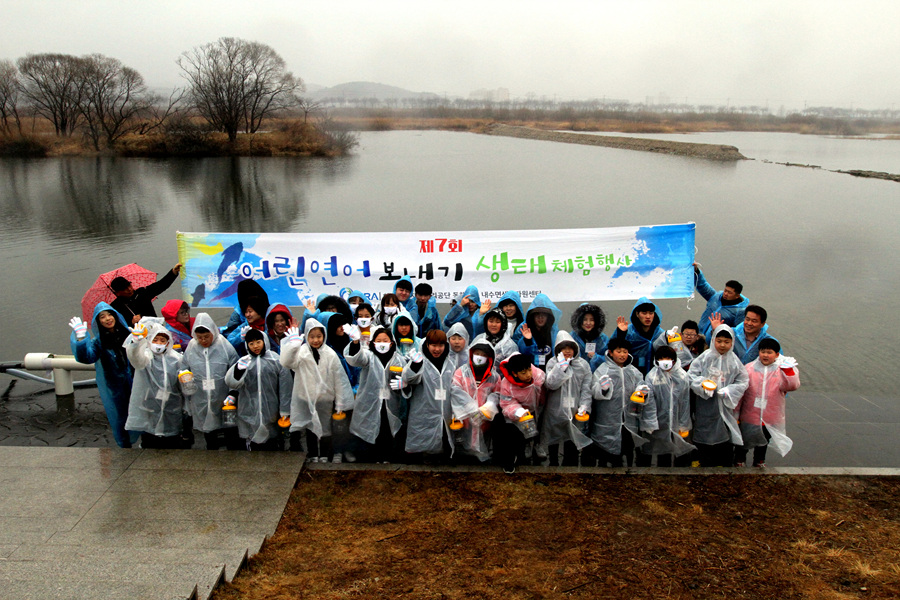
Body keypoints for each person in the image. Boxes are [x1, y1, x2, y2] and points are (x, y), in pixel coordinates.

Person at [279, 319, 353, 462]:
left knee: (326, 428)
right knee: (310, 427)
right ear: (306, 336)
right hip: (306, 398)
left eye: (318, 336)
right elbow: (287, 362)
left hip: (325, 399)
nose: (315, 340)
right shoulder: (302, 352)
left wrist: (340, 402)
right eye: (312, 337)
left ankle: (325, 455)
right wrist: (294, 345)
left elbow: (339, 379)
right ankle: (313, 454)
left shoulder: (330, 354)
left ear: (324, 335)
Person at [69, 303, 139, 448]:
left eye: (109, 314)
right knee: (120, 416)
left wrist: (140, 340)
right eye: (102, 316)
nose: (107, 319)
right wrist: (81, 340)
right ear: (98, 321)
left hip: (135, 382)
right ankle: (124, 445)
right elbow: (86, 358)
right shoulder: (98, 342)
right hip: (114, 386)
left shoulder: (128, 334)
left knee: (141, 410)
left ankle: (146, 441)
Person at [344, 326, 408, 463]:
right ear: (373, 343)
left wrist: (405, 382)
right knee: (370, 427)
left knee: (387, 428)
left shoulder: (399, 359)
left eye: (385, 340)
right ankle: (370, 457)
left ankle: (387, 456)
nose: (382, 343)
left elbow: (408, 377)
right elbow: (356, 359)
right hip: (370, 401)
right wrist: (356, 342)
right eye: (379, 340)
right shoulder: (369, 357)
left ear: (392, 343)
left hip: (391, 403)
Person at [688, 324, 749, 467]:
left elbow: (743, 380)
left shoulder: (734, 361)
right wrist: (702, 385)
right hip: (705, 405)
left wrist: (729, 391)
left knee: (724, 432)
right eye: (719, 341)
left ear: (732, 342)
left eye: (727, 342)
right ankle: (701, 459)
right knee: (702, 428)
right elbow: (691, 375)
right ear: (713, 340)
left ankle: (722, 462)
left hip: (725, 404)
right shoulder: (705, 357)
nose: (722, 345)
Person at [180, 313, 242, 450]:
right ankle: (211, 449)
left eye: (206, 337)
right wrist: (186, 379)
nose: (203, 340)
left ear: (213, 332)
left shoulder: (224, 346)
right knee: (208, 429)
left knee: (229, 427)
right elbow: (183, 368)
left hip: (223, 397)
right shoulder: (192, 347)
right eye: (200, 337)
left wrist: (233, 392)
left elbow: (235, 369)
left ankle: (232, 450)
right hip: (200, 397)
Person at [735, 338, 800, 467]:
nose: (765, 355)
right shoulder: (749, 369)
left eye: (769, 352)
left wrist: (788, 371)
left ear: (776, 355)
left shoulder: (780, 371)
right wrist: (736, 414)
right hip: (749, 415)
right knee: (743, 439)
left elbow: (792, 386)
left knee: (763, 441)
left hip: (770, 417)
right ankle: (739, 460)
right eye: (763, 352)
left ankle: (759, 461)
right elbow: (740, 392)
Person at [224, 329, 292, 451]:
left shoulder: (276, 360)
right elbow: (231, 382)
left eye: (258, 342)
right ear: (247, 345)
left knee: (272, 443)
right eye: (251, 343)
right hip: (249, 411)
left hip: (271, 411)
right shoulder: (244, 362)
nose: (255, 346)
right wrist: (239, 371)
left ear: (264, 341)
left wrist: (285, 410)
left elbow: (285, 388)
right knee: (252, 443)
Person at [123, 323, 186, 449]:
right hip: (150, 404)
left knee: (172, 439)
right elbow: (136, 359)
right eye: (155, 340)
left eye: (163, 340)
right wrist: (136, 343)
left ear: (168, 343)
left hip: (171, 405)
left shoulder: (176, 359)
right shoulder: (147, 357)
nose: (158, 343)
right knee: (150, 436)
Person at [587, 338, 645, 467]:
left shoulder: (633, 372)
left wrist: (642, 390)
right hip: (608, 419)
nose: (622, 355)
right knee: (605, 452)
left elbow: (642, 388)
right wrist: (602, 389)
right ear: (611, 352)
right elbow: (593, 392)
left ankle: (628, 473)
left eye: (625, 351)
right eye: (619, 351)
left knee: (627, 448)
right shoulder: (603, 370)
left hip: (629, 419)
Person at [401, 330, 457, 463]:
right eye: (433, 345)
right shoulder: (420, 361)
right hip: (424, 409)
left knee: (445, 438)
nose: (437, 349)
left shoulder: (450, 363)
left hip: (446, 409)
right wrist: (415, 365)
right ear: (427, 345)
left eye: (441, 345)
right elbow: (408, 378)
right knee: (423, 439)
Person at [540, 332, 593, 466]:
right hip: (555, 408)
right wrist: (560, 368)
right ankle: (553, 463)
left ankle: (570, 465)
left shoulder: (583, 365)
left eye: (570, 347)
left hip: (575, 409)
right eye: (564, 348)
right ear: (558, 349)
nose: (567, 351)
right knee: (553, 438)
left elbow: (586, 388)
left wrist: (584, 406)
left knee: (572, 438)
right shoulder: (552, 362)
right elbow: (550, 384)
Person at [636, 346, 695, 467]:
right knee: (651, 449)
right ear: (657, 360)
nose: (665, 361)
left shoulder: (682, 376)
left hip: (675, 421)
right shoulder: (652, 377)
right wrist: (650, 422)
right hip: (658, 421)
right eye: (661, 358)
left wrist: (684, 424)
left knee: (669, 451)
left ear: (674, 360)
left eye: (668, 358)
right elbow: (649, 403)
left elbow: (685, 402)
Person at [449, 339, 501, 463]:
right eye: (477, 354)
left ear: (489, 358)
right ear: (471, 354)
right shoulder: (461, 372)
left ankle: (482, 456)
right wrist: (470, 408)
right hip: (465, 416)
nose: (480, 357)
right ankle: (464, 456)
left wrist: (488, 407)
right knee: (463, 440)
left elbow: (497, 394)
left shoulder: (494, 376)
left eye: (484, 355)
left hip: (484, 417)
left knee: (483, 438)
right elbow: (455, 390)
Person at [496, 352, 546, 474]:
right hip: (519, 413)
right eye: (524, 373)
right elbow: (506, 404)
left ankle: (536, 444)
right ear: (514, 373)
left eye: (529, 370)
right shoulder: (506, 384)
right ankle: (519, 453)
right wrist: (518, 411)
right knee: (517, 433)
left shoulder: (538, 375)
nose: (529, 375)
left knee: (538, 426)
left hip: (536, 407)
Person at [110, 262, 182, 325]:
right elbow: (117, 326)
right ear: (118, 293)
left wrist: (173, 272)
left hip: (155, 329)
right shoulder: (115, 307)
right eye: (124, 289)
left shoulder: (142, 293)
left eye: (129, 285)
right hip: (136, 335)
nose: (129, 289)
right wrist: (130, 322)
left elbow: (161, 285)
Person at [693, 264, 750, 339]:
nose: (725, 294)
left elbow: (737, 332)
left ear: (737, 296)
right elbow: (703, 286)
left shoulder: (740, 311)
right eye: (725, 290)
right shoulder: (717, 296)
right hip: (698, 335)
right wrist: (696, 271)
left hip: (715, 341)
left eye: (729, 292)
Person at [612, 297, 665, 376]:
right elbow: (612, 352)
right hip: (632, 374)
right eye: (644, 313)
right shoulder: (628, 331)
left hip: (654, 376)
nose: (648, 316)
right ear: (637, 314)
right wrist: (621, 334)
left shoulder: (660, 333)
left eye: (651, 313)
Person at [516, 293, 562, 370]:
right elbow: (521, 353)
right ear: (532, 317)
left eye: (543, 315)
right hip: (531, 373)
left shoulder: (554, 332)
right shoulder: (525, 330)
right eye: (537, 315)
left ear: (548, 317)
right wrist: (528, 340)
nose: (540, 318)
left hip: (551, 371)